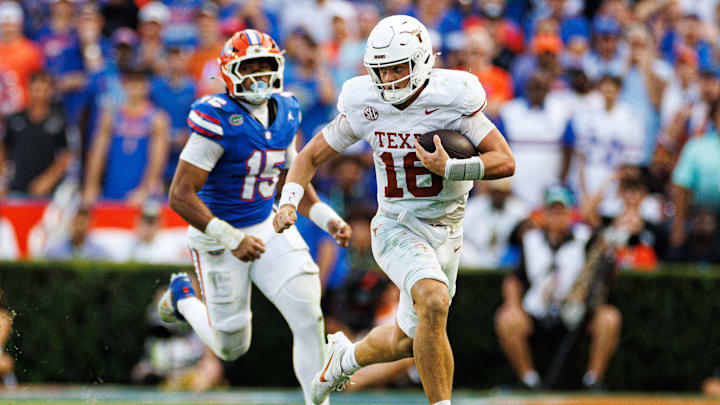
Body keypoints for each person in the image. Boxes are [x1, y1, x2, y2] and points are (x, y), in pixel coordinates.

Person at [274, 15, 515, 405]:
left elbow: (504, 161)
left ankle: (342, 359)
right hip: (396, 225)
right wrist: (288, 202)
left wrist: (451, 168)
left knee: (408, 340)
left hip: (448, 230)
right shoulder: (366, 102)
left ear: (421, 61)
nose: (388, 80)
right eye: (380, 71)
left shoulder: (453, 95)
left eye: (397, 68)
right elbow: (308, 156)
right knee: (433, 299)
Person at [157, 29, 351, 405]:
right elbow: (180, 195)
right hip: (218, 235)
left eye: (266, 67)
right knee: (231, 347)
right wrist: (232, 239)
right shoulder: (215, 117)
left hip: (266, 223)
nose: (259, 76)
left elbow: (291, 181)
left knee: (309, 315)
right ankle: (182, 297)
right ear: (231, 72)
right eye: (250, 67)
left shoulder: (288, 111)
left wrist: (328, 219)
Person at [494, 186, 621, 390]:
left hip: (576, 310)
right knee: (507, 319)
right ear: (544, 214)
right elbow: (514, 279)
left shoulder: (586, 239)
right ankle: (529, 380)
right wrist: (513, 304)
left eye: (561, 211)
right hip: (538, 310)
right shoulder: (530, 240)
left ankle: (593, 380)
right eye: (552, 211)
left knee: (609, 318)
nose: (557, 217)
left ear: (570, 214)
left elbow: (605, 273)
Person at [83, 68, 169, 205]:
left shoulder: (156, 119)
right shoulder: (111, 117)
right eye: (132, 82)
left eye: (140, 83)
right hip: (112, 187)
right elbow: (98, 153)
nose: (136, 87)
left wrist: (144, 189)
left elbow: (158, 159)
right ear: (124, 85)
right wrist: (91, 185)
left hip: (141, 194)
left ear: (147, 86)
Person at [0, 72, 70, 197]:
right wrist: (3, 178)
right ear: (29, 89)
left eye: (45, 89)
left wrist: (48, 179)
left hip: (47, 192)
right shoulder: (15, 120)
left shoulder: (58, 121)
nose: (40, 94)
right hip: (17, 188)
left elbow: (65, 155)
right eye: (37, 89)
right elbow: (3, 148)